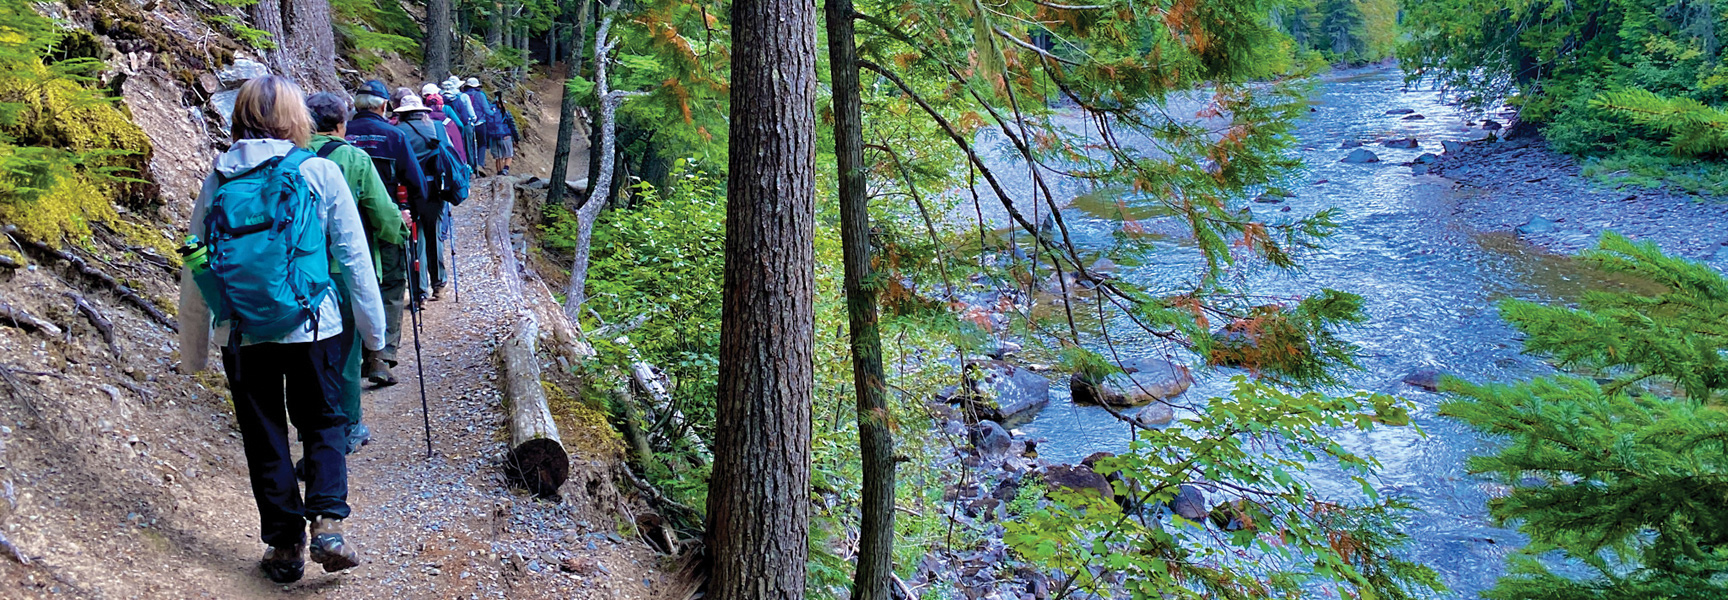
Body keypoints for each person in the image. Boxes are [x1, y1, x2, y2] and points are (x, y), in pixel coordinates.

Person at [177, 75, 380, 583]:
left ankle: (285, 544)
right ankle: (328, 523)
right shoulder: (317, 170)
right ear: (297, 118)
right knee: (323, 421)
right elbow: (353, 257)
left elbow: (195, 262)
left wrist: (194, 348)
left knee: (263, 434)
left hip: (241, 332)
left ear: (238, 116)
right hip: (313, 325)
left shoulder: (220, 176)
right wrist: (375, 335)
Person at [304, 91, 408, 452]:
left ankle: (312, 427)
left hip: (299, 271)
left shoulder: (291, 157)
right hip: (341, 270)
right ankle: (349, 425)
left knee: (310, 353)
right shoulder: (352, 158)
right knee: (346, 353)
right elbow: (382, 215)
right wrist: (402, 228)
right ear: (341, 123)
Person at [345, 79, 427, 386]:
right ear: (383, 106)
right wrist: (411, 216)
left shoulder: (341, 136)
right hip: (388, 223)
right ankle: (381, 354)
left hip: (345, 226)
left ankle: (353, 353)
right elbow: (418, 184)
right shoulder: (394, 136)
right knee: (391, 286)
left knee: (352, 284)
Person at [393, 94, 454, 301]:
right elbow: (449, 153)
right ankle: (439, 283)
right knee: (433, 234)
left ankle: (419, 290)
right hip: (435, 188)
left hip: (408, 191)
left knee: (413, 237)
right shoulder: (437, 128)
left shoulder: (398, 132)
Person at [441, 77, 483, 171]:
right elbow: (469, 113)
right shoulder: (462, 97)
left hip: (446, 126)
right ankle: (471, 167)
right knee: (468, 147)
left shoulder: (440, 98)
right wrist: (473, 119)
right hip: (463, 125)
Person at [461, 77, 496, 170]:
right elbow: (487, 110)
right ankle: (480, 164)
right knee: (482, 144)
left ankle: (472, 164)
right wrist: (494, 112)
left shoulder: (463, 95)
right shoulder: (480, 95)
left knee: (470, 145)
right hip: (480, 123)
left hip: (467, 124)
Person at [490, 98, 517, 176]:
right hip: (506, 137)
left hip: (494, 138)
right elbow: (512, 125)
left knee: (498, 157)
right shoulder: (506, 113)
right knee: (509, 155)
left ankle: (499, 172)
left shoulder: (491, 112)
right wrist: (516, 138)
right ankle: (505, 169)